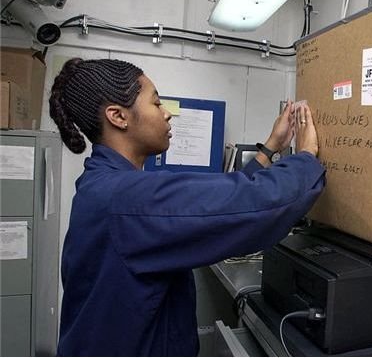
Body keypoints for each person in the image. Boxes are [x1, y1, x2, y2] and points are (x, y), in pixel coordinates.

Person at [48, 58, 325, 356]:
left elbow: (220, 206)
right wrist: (307, 156)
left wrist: (271, 146)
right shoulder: (125, 199)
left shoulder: (106, 186)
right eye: (156, 104)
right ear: (118, 116)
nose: (167, 114)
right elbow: (259, 203)